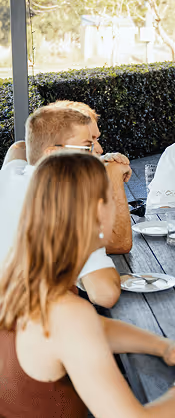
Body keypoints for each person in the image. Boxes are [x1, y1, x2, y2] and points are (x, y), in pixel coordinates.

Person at [0, 151, 175, 417]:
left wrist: (163, 346)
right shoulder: (67, 313)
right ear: (97, 210)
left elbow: (93, 329)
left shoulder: (20, 275)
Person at [0, 106, 121, 308]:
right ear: (53, 153)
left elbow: (18, 149)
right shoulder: (68, 208)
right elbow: (105, 294)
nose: (95, 154)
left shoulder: (11, 174)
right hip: (26, 328)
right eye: (86, 147)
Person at [2, 100, 133, 255]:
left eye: (96, 140)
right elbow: (119, 243)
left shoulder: (17, 171)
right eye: (88, 142)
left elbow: (20, 147)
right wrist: (113, 173)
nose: (99, 148)